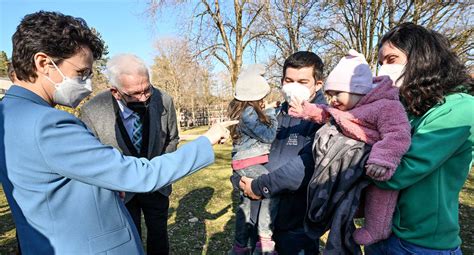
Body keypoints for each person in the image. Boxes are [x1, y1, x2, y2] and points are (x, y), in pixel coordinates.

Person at [0, 11, 234, 255]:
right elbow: (140, 175)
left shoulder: (10, 114)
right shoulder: (48, 124)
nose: (88, 85)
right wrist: (206, 140)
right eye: (81, 73)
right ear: (44, 63)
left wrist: (103, 186)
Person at [364, 22, 473, 254]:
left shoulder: (460, 109)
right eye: (381, 62)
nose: (383, 70)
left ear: (422, 59)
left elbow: (396, 173)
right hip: (381, 230)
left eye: (391, 60)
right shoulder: (408, 107)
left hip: (420, 243)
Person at [289, 49, 411, 246]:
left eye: (337, 93)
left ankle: (376, 229)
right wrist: (306, 110)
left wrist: (383, 160)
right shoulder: (347, 107)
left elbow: (398, 134)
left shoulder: (386, 106)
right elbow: (325, 112)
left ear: (358, 89)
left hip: (378, 162)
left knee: (381, 195)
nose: (333, 100)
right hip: (354, 166)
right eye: (329, 94)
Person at [80, 54, 178, 255]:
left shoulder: (164, 100)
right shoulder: (92, 111)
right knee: (127, 243)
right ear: (115, 92)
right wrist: (112, 183)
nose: (144, 98)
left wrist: (159, 172)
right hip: (120, 192)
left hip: (157, 187)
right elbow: (92, 157)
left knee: (159, 238)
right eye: (135, 94)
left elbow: (173, 139)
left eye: (147, 89)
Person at [235, 51, 327, 254]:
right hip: (259, 223)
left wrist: (260, 186)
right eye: (288, 80)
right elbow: (245, 150)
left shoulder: (324, 120)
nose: (294, 87)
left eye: (302, 81)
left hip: (295, 225)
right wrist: (240, 180)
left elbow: (306, 167)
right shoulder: (273, 114)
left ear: (318, 84)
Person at [228, 65, 278, 254]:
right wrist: (271, 113)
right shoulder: (249, 113)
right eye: (262, 97)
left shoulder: (244, 112)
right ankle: (264, 239)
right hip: (250, 163)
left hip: (245, 163)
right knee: (271, 190)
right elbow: (269, 135)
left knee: (246, 206)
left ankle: (240, 246)